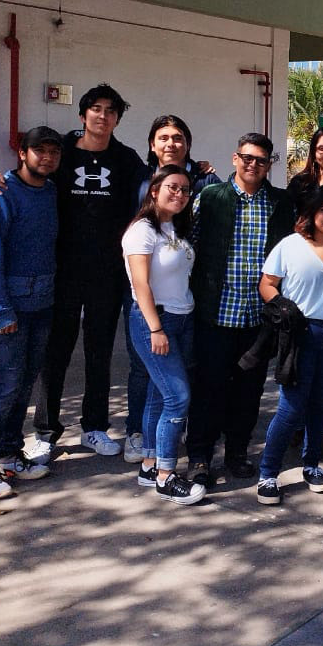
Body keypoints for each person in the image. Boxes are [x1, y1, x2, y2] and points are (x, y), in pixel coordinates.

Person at [0, 84, 146, 462]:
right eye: (95, 109)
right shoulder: (63, 153)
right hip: (61, 273)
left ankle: (94, 428)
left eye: (110, 111)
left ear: (118, 119)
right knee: (54, 354)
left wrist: (197, 171)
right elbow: (29, 174)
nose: (102, 116)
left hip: (107, 273)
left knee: (100, 353)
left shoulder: (126, 159)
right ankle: (47, 431)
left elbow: (155, 185)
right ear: (82, 114)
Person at [185, 133, 295, 486]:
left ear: (269, 165)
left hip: (257, 317)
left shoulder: (280, 202)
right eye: (247, 158)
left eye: (261, 160)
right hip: (216, 312)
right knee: (208, 388)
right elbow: (191, 242)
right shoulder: (211, 197)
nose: (253, 165)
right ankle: (199, 456)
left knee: (248, 392)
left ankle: (236, 452)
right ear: (235, 159)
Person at [0, 126, 62, 499]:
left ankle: (8, 453)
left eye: (54, 151)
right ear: (22, 153)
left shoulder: (50, 190)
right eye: (40, 150)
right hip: (1, 305)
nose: (47, 157)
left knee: (24, 381)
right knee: (5, 383)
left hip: (40, 302)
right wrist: (2, 312)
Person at [255, 185, 323, 505]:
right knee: (291, 408)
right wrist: (282, 308)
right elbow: (267, 283)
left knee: (322, 403)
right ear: (312, 213)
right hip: (302, 333)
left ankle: (312, 464)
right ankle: (268, 473)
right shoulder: (291, 245)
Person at [121, 114, 221, 465]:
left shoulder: (185, 211)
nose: (170, 143)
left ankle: (156, 446)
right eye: (163, 137)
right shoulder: (140, 199)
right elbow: (140, 279)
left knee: (163, 387)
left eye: (178, 137)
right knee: (161, 384)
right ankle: (151, 452)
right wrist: (154, 325)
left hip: (184, 303)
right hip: (153, 307)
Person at [122, 165, 205, 505]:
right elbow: (140, 283)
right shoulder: (142, 230)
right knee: (177, 397)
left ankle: (150, 464)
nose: (180, 194)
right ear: (154, 190)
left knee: (160, 395)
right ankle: (166, 476)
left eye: (185, 189)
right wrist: (155, 327)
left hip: (182, 317)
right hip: (155, 320)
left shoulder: (175, 228)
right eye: (173, 187)